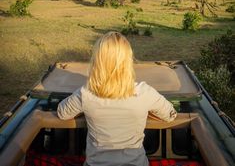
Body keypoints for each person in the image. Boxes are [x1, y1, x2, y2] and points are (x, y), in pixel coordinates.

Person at [57, 31, 177, 166]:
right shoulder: (145, 93)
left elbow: (62, 113)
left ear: (98, 62)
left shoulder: (85, 94)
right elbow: (170, 115)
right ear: (128, 61)